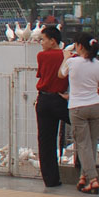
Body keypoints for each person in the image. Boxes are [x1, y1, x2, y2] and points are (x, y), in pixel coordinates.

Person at [60, 33, 99, 195]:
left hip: (77, 107)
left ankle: (93, 180)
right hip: (95, 105)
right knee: (91, 144)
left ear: (79, 46)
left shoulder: (72, 62)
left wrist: (65, 56)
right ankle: (83, 177)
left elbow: (61, 74)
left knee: (83, 144)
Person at [35, 26, 69, 187]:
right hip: (60, 99)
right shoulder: (67, 56)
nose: (41, 42)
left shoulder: (42, 56)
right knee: (81, 127)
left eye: (43, 39)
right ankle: (83, 168)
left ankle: (50, 179)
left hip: (44, 100)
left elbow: (41, 75)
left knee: (45, 141)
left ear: (52, 41)